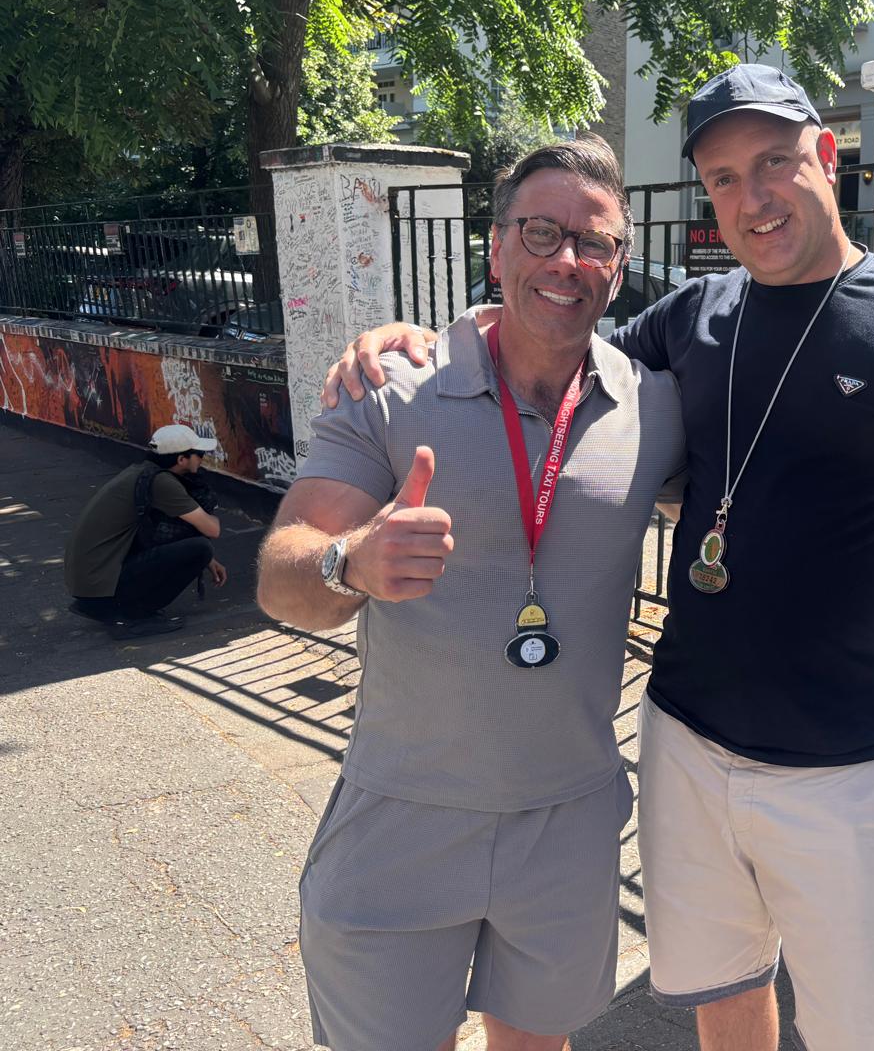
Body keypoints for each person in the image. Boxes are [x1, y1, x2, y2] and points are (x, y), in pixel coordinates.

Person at [322, 64, 874, 1051]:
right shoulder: (695, 315)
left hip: (839, 763)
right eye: (722, 178)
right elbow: (557, 338)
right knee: (725, 989)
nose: (752, 197)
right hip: (683, 737)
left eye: (774, 163)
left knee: (865, 1037)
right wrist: (423, 339)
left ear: (827, 156)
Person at [257, 137, 688, 1051]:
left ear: (618, 267)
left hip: (568, 822)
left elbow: (767, 498)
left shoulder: (655, 406)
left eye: (595, 243)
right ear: (495, 249)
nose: (567, 260)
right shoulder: (389, 389)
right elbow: (281, 574)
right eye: (541, 233)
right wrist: (350, 563)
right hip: (403, 819)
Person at [65, 423, 228, 635]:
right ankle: (133, 616)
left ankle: (114, 607)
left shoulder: (142, 471)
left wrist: (209, 561)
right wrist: (211, 511)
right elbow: (212, 529)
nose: (202, 460)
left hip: (90, 582)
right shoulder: (161, 482)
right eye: (199, 455)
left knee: (196, 548)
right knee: (201, 548)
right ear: (181, 460)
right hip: (98, 584)